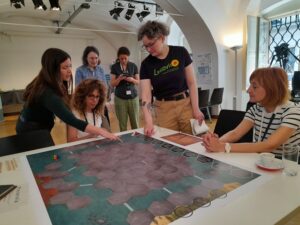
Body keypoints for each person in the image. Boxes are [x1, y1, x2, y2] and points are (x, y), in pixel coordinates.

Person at [16, 48, 118, 141]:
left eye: (70, 66)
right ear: (53, 70)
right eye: (65, 67)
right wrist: (101, 131)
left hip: (41, 126)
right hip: (31, 130)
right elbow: (71, 120)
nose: (69, 71)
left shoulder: (55, 82)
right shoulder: (47, 92)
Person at [203, 67, 300, 157]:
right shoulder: (256, 109)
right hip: (261, 161)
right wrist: (215, 142)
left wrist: (223, 146)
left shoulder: (293, 112)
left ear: (272, 89)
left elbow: (270, 145)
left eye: (254, 86)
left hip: (286, 166)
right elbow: (235, 133)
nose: (248, 90)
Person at [137, 21, 204, 136]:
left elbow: (192, 83)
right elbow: (146, 96)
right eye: (145, 46)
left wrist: (196, 108)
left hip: (185, 105)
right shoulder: (146, 64)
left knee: (193, 140)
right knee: (169, 143)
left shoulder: (181, 52)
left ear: (162, 38)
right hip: (163, 109)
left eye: (151, 44)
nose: (148, 49)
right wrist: (148, 121)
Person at [75, 46, 111, 124]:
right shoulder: (80, 70)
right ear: (86, 58)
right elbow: (78, 90)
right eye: (91, 58)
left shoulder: (100, 69)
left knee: (106, 128)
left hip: (100, 104)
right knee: (90, 129)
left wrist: (106, 102)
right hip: (86, 106)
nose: (94, 60)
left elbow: (105, 87)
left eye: (96, 58)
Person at [110, 46, 140, 131]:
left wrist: (132, 79)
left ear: (128, 57)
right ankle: (124, 142)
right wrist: (119, 79)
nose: (123, 60)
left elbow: (138, 82)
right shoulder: (114, 67)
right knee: (122, 124)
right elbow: (112, 83)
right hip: (120, 99)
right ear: (118, 57)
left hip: (133, 98)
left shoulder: (133, 66)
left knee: (135, 122)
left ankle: (137, 140)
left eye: (125, 58)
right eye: (121, 58)